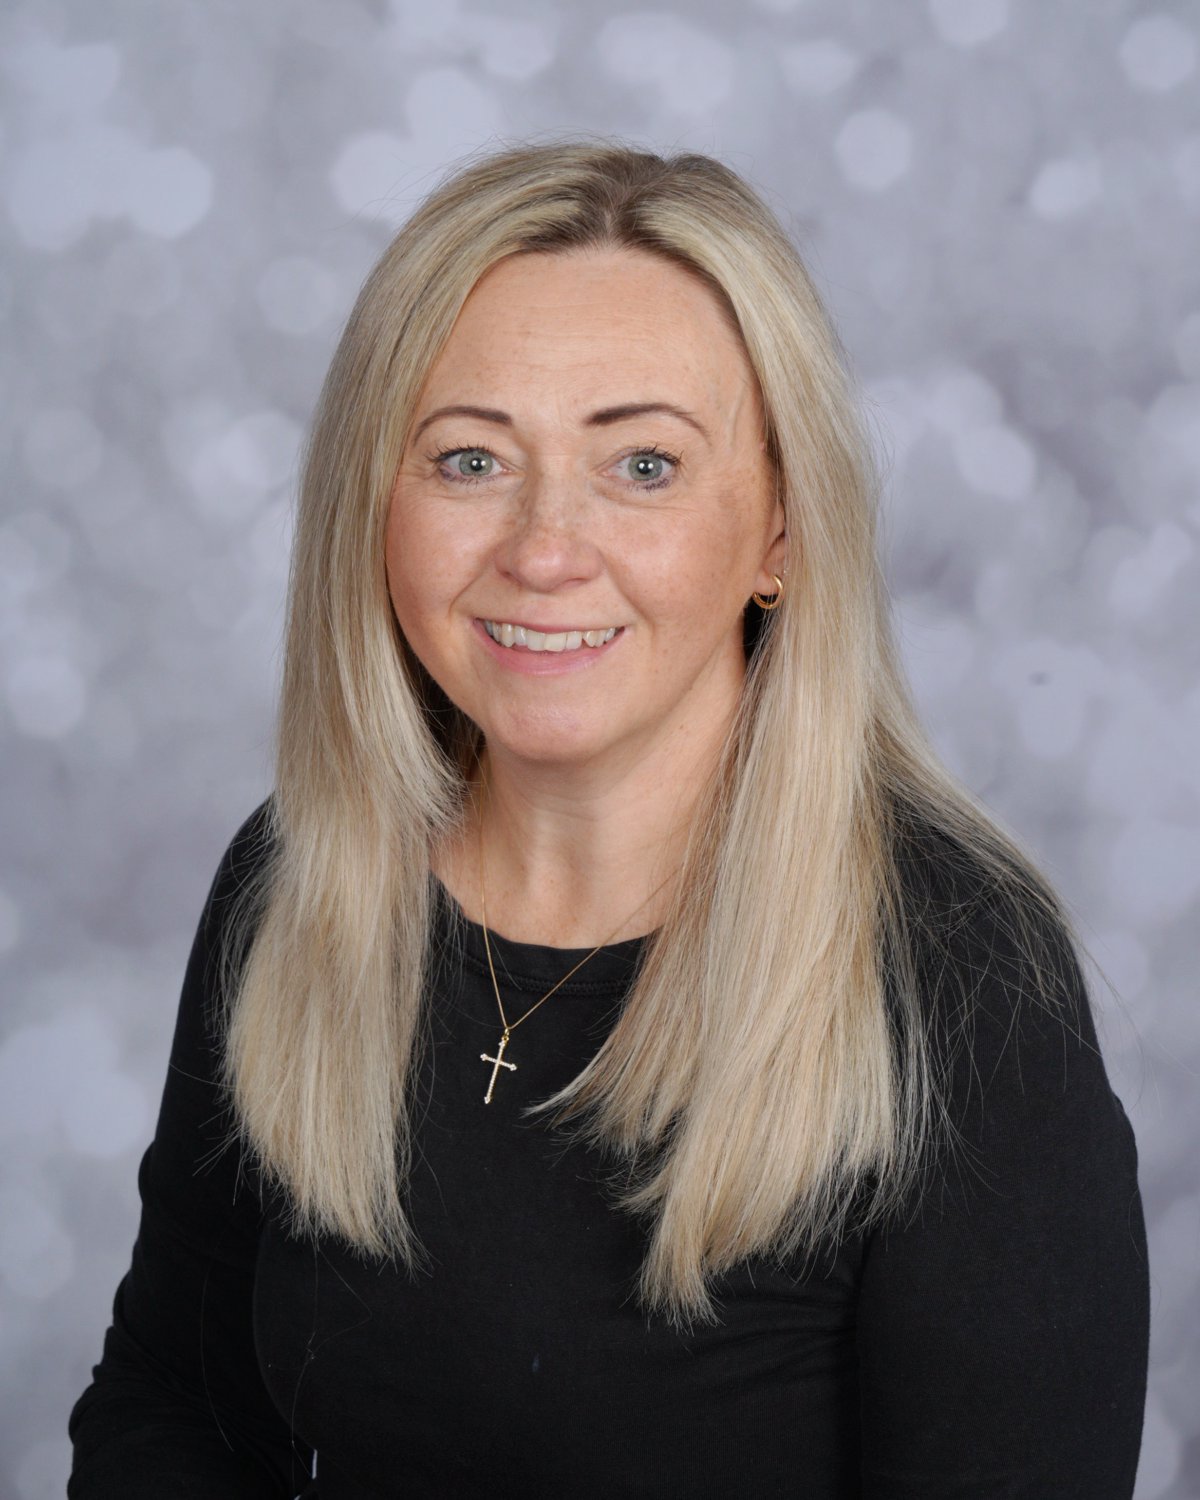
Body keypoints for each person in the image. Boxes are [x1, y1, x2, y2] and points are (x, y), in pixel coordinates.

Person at [68, 138, 1149, 1498]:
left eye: (643, 465)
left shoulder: (960, 977)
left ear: (781, 529)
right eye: (470, 459)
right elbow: (172, 1405)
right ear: (373, 504)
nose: (542, 549)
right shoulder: (302, 878)